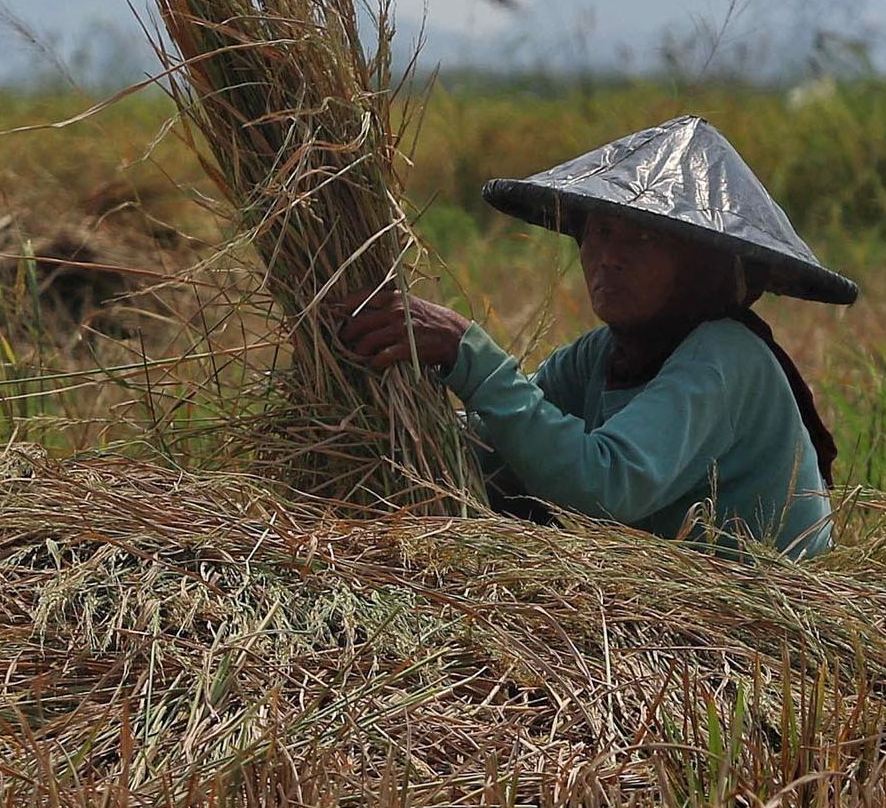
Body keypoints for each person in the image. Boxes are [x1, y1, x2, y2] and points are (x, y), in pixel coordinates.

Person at [339, 115, 857, 559]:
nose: (608, 256)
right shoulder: (603, 355)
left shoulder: (726, 355)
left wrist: (468, 353)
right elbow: (509, 446)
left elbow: (606, 486)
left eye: (644, 237)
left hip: (755, 617)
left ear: (703, 265)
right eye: (600, 233)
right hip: (665, 596)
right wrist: (385, 415)